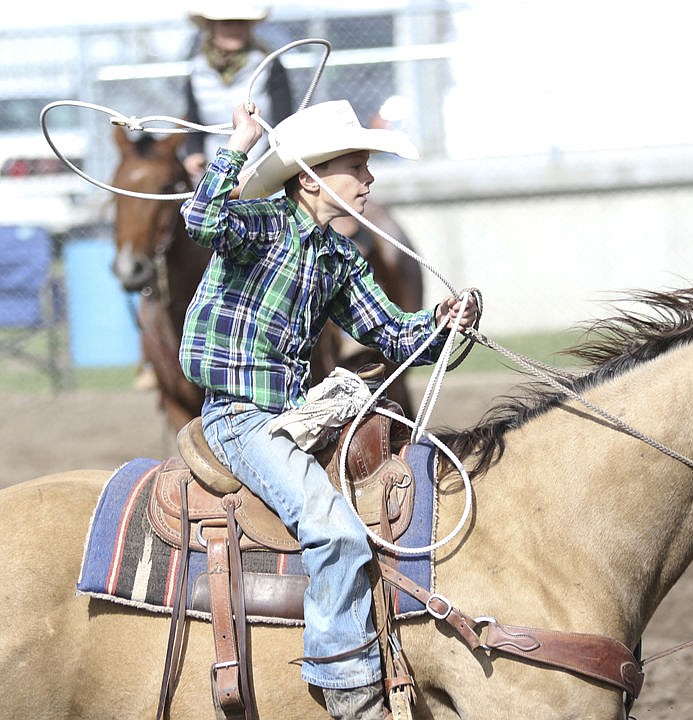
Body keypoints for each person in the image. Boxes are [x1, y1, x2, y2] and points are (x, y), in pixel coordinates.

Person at [178, 99, 478, 719]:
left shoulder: (340, 259)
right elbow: (204, 217)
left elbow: (395, 336)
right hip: (240, 417)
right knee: (335, 528)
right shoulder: (260, 224)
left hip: (293, 414)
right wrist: (236, 144)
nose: (369, 181)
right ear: (311, 179)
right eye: (357, 167)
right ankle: (349, 689)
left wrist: (446, 325)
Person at [182, 3, 294, 182]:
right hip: (213, 162)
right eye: (227, 23)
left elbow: (283, 118)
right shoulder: (197, 69)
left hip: (262, 160)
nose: (235, 29)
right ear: (212, 27)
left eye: (241, 22)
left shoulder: (268, 64)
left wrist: (268, 162)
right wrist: (193, 153)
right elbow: (194, 118)